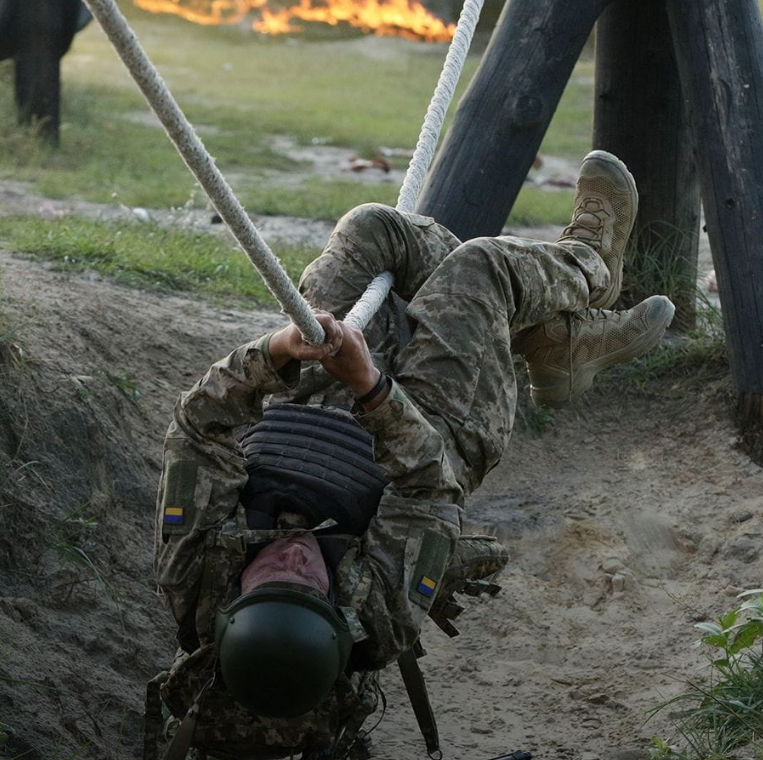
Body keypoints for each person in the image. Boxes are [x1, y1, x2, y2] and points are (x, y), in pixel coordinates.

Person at [154, 151, 674, 721]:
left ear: (235, 600)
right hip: (437, 431)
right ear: (334, 612)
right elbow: (430, 486)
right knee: (483, 269)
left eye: (277, 576)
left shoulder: (194, 571)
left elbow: (197, 427)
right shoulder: (380, 613)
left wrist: (277, 351)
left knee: (372, 230)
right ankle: (590, 266)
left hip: (306, 400)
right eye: (311, 583)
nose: (298, 561)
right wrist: (370, 389)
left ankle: (551, 339)